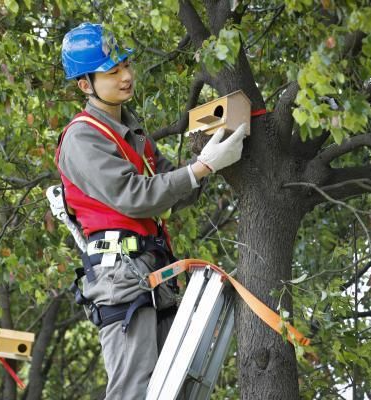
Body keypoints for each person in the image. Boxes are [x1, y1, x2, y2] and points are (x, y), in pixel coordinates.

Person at [55, 22, 248, 399]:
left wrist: (209, 155)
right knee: (135, 391)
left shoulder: (130, 130)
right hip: (121, 277)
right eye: (112, 72)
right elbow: (135, 195)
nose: (126, 76)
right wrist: (201, 168)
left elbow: (170, 193)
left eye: (126, 65)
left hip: (151, 270)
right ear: (85, 84)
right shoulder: (82, 136)